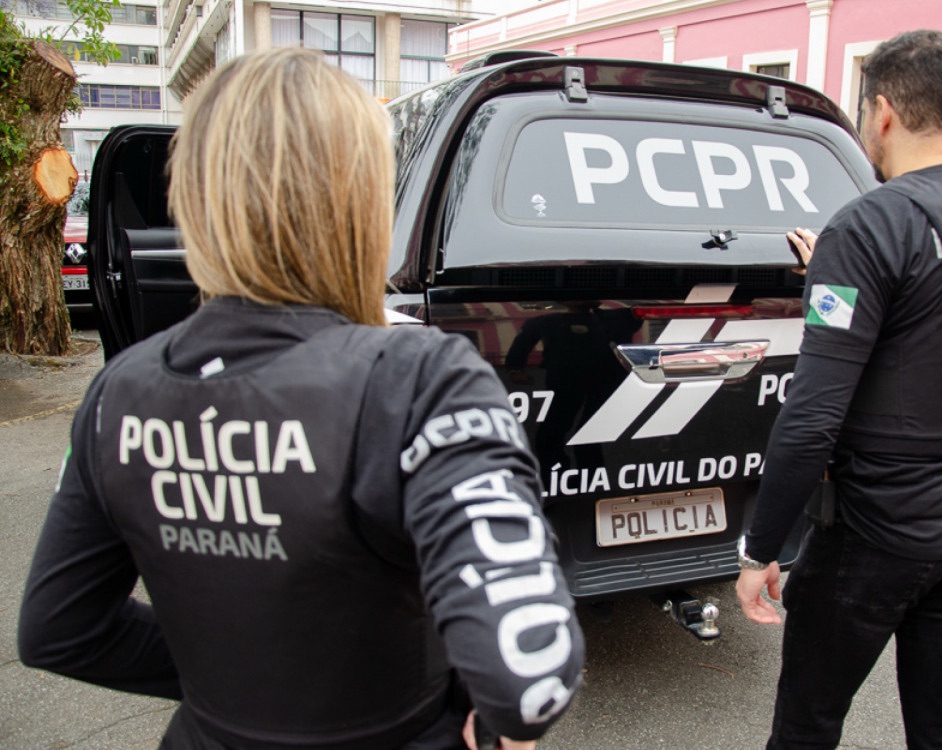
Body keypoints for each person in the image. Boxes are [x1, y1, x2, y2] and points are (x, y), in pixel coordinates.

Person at [18, 48, 583, 750]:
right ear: (363, 200)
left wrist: (232, 680)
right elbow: (528, 680)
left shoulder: (118, 392)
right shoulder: (419, 380)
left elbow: (61, 629)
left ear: (195, 200)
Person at [735, 29, 942, 750]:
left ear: (882, 112)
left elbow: (812, 416)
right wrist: (839, 277)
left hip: (876, 536)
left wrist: (760, 548)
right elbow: (941, 330)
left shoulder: (870, 224)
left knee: (806, 726)